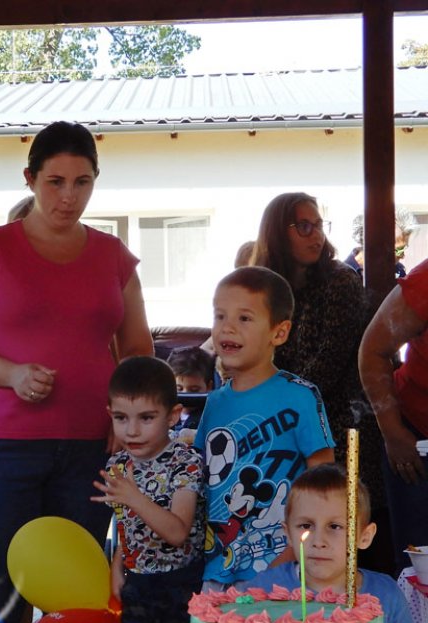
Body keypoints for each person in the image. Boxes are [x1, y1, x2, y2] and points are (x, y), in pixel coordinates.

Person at [0, 121, 153, 623]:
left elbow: (138, 352)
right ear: (30, 179)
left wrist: (123, 417)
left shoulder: (114, 256)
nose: (68, 196)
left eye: (82, 182)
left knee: (78, 592)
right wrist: (9, 373)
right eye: (55, 181)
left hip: (89, 450)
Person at [249, 192, 387, 573]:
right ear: (279, 233)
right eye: (304, 226)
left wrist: (267, 400)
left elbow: (323, 369)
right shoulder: (268, 288)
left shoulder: (340, 282)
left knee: (340, 531)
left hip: (342, 426)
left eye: (319, 226)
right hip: (287, 425)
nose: (317, 237)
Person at [195, 266, 335, 589]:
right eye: (219, 316)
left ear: (279, 333)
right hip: (217, 570)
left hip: (285, 570)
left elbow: (325, 486)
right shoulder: (214, 403)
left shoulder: (300, 396)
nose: (227, 327)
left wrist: (295, 553)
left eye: (244, 318)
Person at [248, 464, 423, 623]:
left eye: (335, 526)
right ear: (288, 534)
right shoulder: (262, 591)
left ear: (364, 536)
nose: (318, 541)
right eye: (306, 525)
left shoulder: (386, 594)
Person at [91, 356, 205, 623]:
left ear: (173, 416)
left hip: (181, 585)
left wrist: (134, 497)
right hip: (137, 583)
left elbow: (178, 532)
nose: (132, 430)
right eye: (121, 418)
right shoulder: (118, 466)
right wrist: (117, 566)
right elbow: (125, 522)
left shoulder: (186, 462)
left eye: (146, 417)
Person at [359, 257, 428, 572]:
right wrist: (393, 432)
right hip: (415, 439)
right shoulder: (425, 280)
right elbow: (373, 350)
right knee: (417, 570)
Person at [166, 345, 215, 436]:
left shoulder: (211, 417)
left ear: (209, 387)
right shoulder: (163, 414)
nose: (185, 394)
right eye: (178, 388)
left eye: (194, 390)